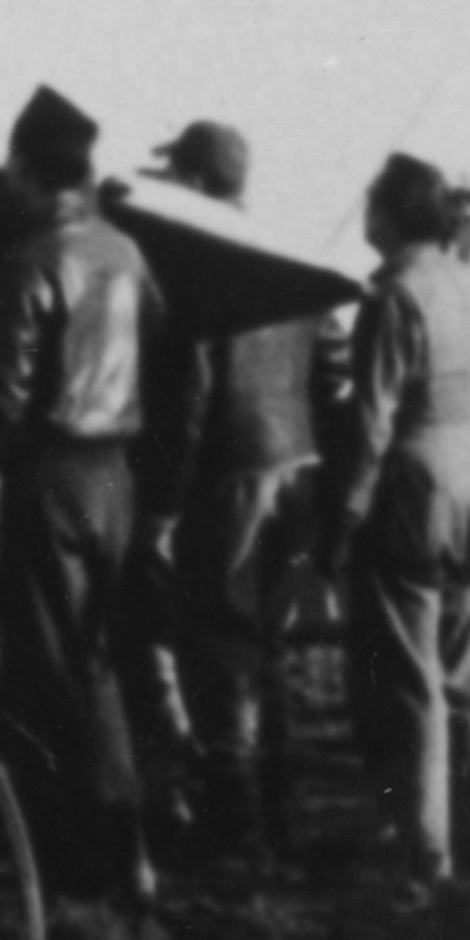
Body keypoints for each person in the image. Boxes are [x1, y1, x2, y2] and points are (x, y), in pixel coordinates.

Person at [0, 86, 170, 914]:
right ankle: (127, 851)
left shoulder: (32, 262)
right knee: (97, 664)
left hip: (54, 481)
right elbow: (161, 353)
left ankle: (80, 864)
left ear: (28, 171)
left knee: (50, 676)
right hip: (116, 480)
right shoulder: (126, 253)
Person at [328, 148, 470, 893]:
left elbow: (371, 426)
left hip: (416, 482)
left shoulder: (392, 297)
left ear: (389, 214)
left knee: (416, 686)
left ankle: (429, 854)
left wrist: (345, 517)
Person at [129, 117, 317, 867]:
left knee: (214, 639)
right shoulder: (282, 257)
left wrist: (164, 507)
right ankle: (276, 811)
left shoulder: (201, 263)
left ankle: (230, 823)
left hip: (229, 471)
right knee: (264, 644)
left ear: (199, 183)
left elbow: (193, 392)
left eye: (175, 173)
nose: (167, 186)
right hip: (291, 464)